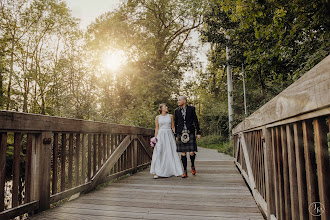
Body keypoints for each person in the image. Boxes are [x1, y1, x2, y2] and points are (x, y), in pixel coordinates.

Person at [150, 103, 183, 179]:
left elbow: (173, 127)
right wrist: (155, 138)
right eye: (165, 107)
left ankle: (172, 170)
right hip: (161, 135)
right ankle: (157, 171)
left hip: (169, 135)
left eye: (167, 106)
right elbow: (157, 128)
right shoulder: (157, 117)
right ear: (161, 108)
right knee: (159, 151)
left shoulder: (170, 116)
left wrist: (177, 135)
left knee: (170, 151)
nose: (167, 107)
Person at [175, 95, 201, 178]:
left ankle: (192, 165)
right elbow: (176, 123)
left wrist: (198, 132)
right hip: (181, 132)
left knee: (192, 152)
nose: (178, 101)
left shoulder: (191, 109)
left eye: (179, 100)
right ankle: (185, 171)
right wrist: (176, 134)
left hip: (190, 132)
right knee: (183, 153)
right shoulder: (176, 111)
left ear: (184, 101)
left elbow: (195, 120)